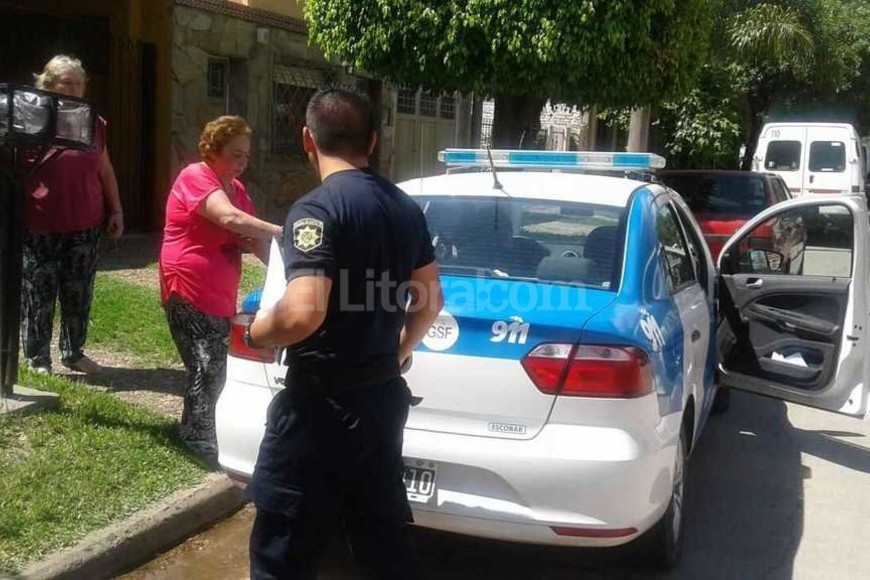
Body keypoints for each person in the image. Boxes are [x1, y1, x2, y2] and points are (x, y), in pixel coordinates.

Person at [245, 88, 443, 579]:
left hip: (320, 410)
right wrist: (397, 352)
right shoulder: (404, 208)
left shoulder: (315, 211)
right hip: (379, 401)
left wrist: (256, 330)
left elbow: (302, 315)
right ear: (372, 141)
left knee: (283, 548)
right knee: (380, 540)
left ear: (307, 140)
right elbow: (430, 301)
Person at [159, 115, 282, 463]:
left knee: (214, 361)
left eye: (246, 156)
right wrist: (281, 230)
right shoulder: (195, 176)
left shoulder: (237, 190)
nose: (242, 163)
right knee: (206, 362)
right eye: (235, 154)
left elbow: (254, 238)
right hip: (188, 283)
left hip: (219, 291)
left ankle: (197, 427)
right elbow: (229, 219)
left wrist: (288, 273)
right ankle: (197, 435)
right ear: (213, 150)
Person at [21, 54, 124, 376]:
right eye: (67, 82)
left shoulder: (95, 122)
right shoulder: (31, 117)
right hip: (40, 221)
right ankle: (37, 358)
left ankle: (73, 352)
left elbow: (105, 169)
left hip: (84, 221)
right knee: (39, 291)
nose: (74, 88)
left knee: (78, 290)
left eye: (79, 82)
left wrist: (116, 210)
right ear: (49, 84)